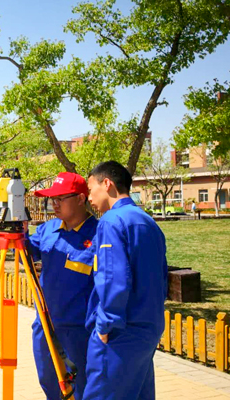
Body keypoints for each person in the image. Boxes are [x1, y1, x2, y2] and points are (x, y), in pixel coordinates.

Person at [84, 161, 167, 400]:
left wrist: (105, 326)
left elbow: (112, 278)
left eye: (90, 189)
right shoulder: (147, 221)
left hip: (121, 332)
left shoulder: (111, 221)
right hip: (148, 327)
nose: (89, 197)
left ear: (107, 184)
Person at [25, 172, 98, 400]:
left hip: (79, 331)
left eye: (60, 199)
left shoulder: (99, 234)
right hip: (45, 325)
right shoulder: (48, 229)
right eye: (52, 199)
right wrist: (19, 233)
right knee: (49, 381)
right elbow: (27, 254)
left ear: (80, 198)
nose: (54, 205)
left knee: (82, 387)